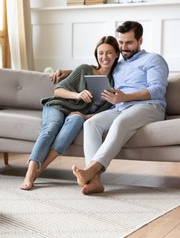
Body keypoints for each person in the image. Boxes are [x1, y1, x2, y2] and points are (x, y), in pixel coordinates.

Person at [72, 21, 169, 195]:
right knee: (90, 124)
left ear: (140, 41)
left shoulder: (153, 59)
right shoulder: (119, 64)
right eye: (121, 43)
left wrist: (125, 97)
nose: (124, 47)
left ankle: (91, 170)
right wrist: (66, 73)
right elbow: (99, 68)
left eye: (129, 42)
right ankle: (95, 181)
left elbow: (158, 89)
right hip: (120, 107)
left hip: (149, 107)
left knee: (120, 122)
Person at [20, 35, 120, 190]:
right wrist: (78, 95)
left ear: (116, 55)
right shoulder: (84, 69)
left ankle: (41, 169)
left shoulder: (115, 82)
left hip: (77, 114)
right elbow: (58, 90)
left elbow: (111, 111)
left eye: (108, 53)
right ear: (96, 55)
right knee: (51, 127)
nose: (104, 57)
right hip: (58, 106)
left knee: (77, 121)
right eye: (100, 53)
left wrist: (85, 116)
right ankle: (30, 173)